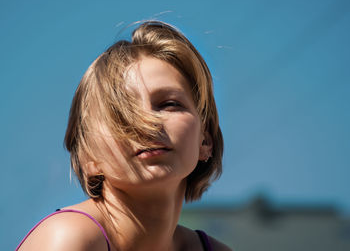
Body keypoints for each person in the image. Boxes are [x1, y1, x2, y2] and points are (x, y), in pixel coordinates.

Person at [16, 21, 231, 251]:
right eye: (121, 114)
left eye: (169, 104)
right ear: (88, 158)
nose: (148, 124)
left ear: (205, 139)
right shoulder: (68, 240)